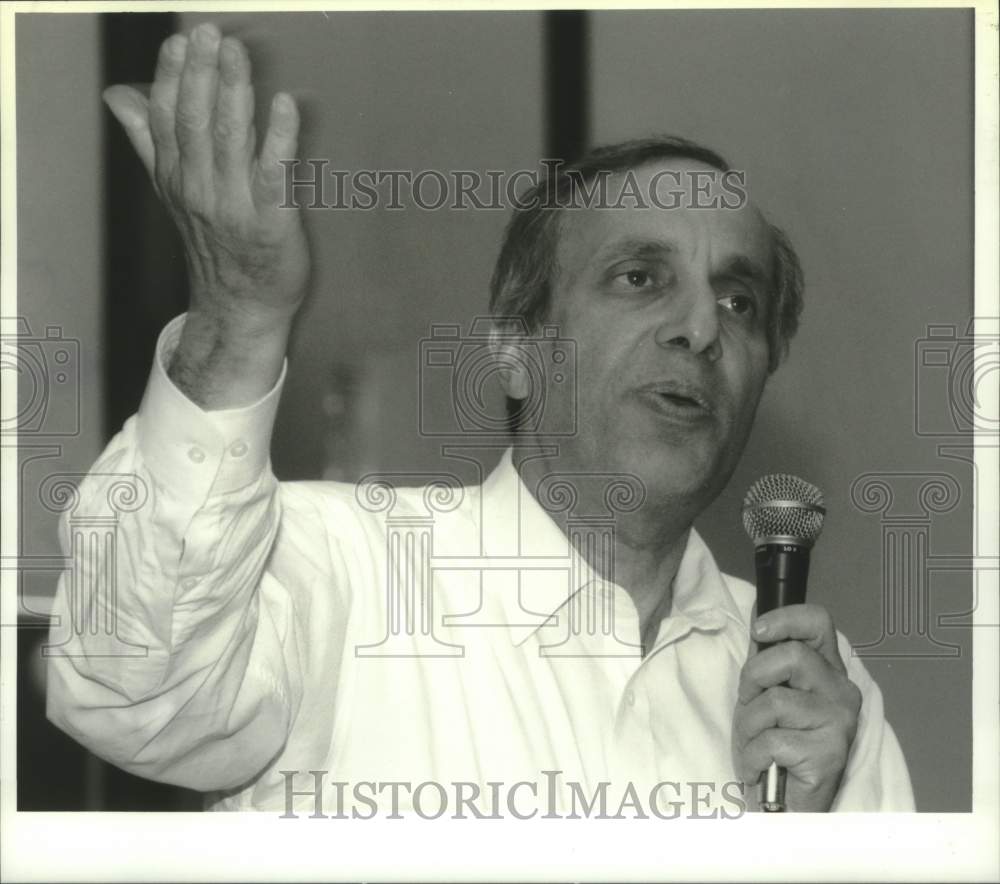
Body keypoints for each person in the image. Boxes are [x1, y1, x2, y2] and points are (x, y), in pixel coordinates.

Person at [46, 22, 913, 816]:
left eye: (739, 299)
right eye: (640, 278)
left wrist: (805, 843)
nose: (700, 327)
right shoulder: (334, 569)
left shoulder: (814, 698)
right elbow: (130, 686)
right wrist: (234, 321)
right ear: (514, 343)